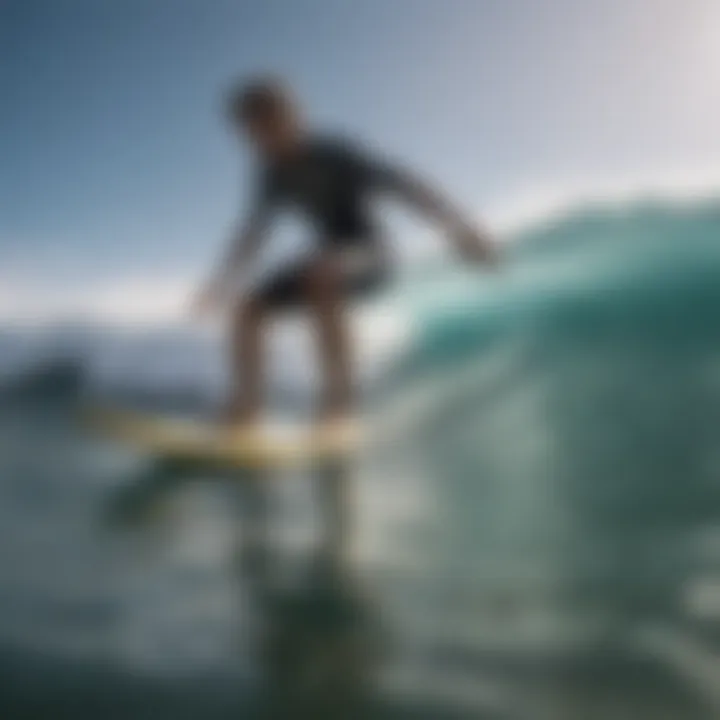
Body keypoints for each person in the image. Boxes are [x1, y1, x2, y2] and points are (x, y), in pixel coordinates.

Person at [194, 77, 498, 433]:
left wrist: (461, 230)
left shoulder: (336, 154)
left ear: (293, 117)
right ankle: (246, 412)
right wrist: (219, 284)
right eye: (251, 135)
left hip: (372, 254)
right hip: (325, 260)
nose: (261, 142)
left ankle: (339, 407)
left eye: (267, 128)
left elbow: (407, 186)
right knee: (248, 308)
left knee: (322, 270)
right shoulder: (271, 175)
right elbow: (251, 234)